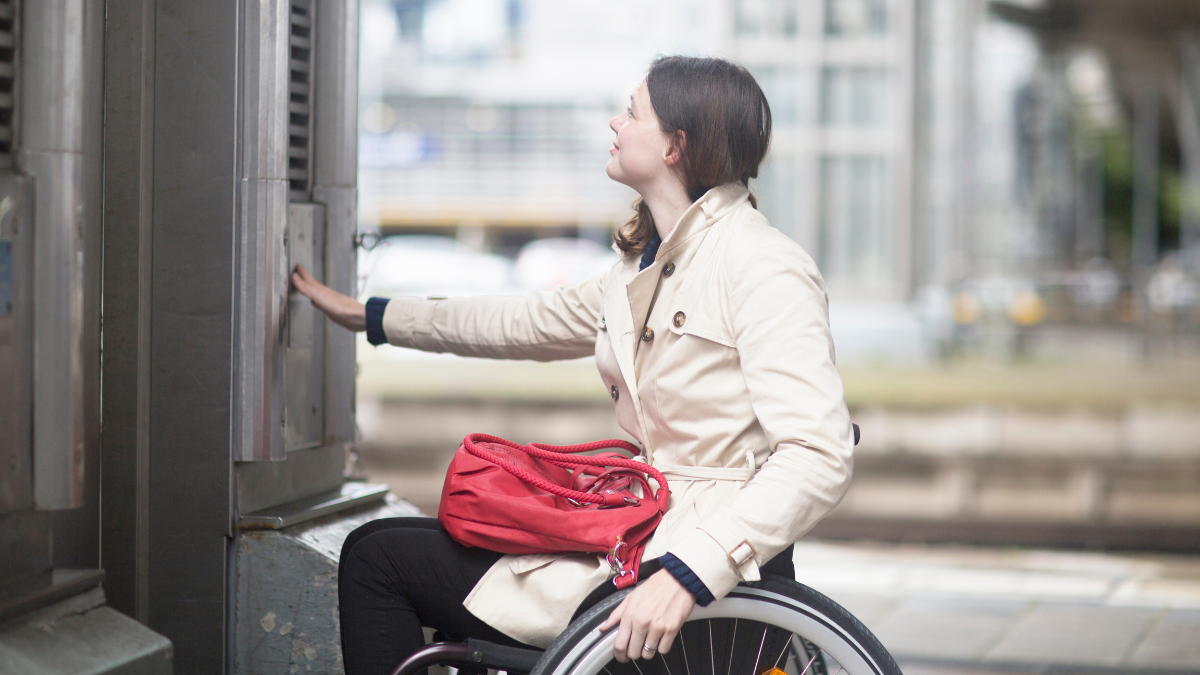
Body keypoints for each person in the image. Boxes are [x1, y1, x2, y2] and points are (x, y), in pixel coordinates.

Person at [292, 55, 855, 675]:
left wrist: (693, 573)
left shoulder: (762, 264)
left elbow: (817, 453)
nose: (616, 122)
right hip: (639, 534)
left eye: (634, 111)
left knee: (382, 564)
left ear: (677, 145)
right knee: (375, 548)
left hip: (696, 574)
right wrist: (371, 316)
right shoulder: (641, 271)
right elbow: (517, 322)